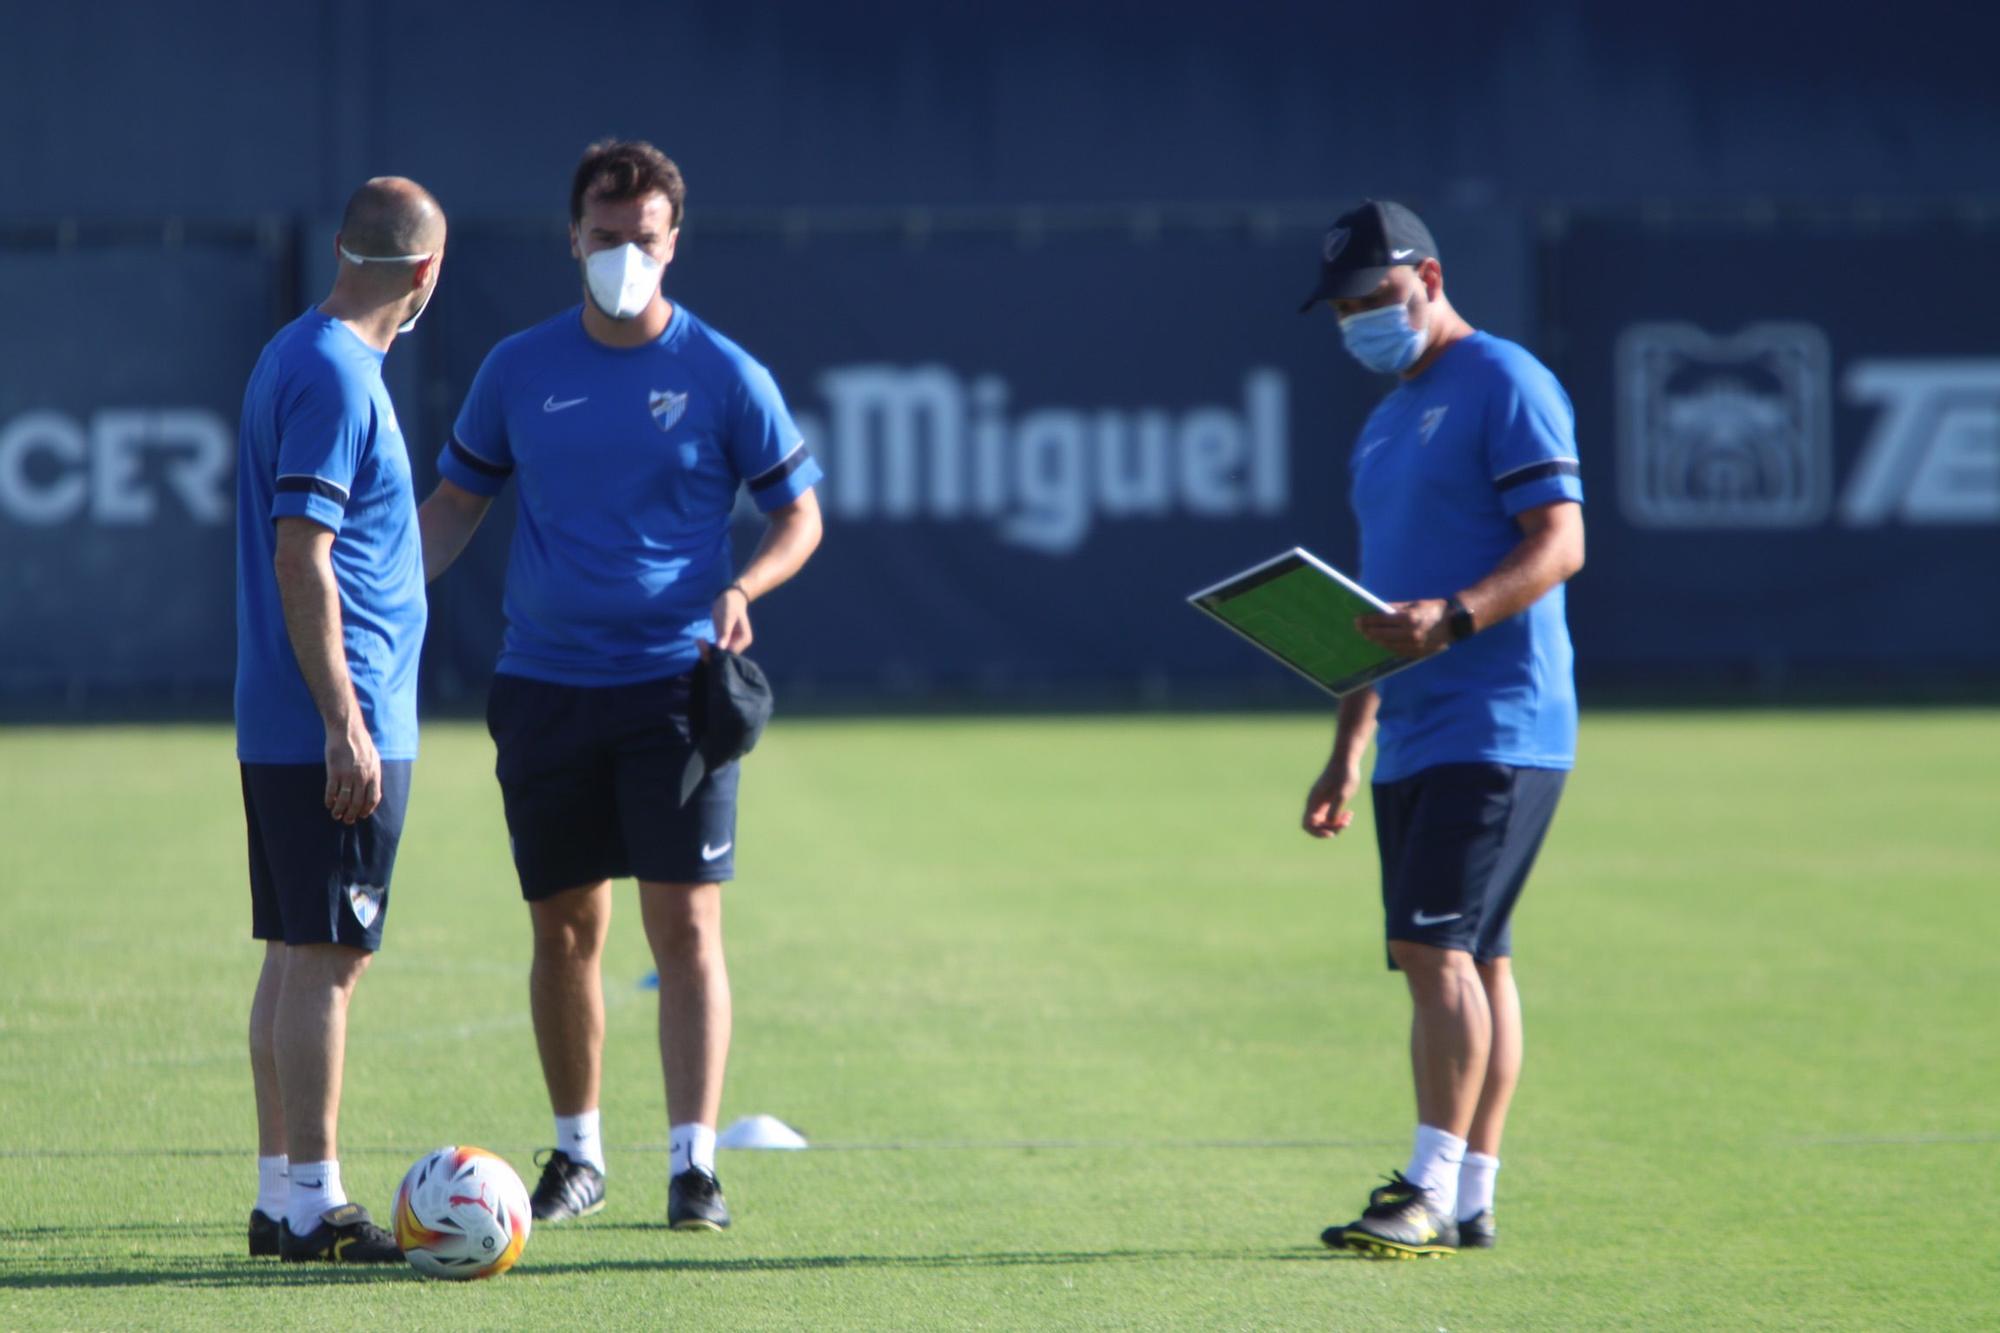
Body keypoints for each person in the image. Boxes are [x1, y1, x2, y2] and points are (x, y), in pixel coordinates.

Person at [418, 138, 823, 1233]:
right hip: (544, 685)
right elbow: (457, 503)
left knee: (685, 930)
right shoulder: (518, 367)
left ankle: (693, 1164)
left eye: (643, 240)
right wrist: (382, 587)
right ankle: (576, 1153)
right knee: (563, 930)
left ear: (672, 240)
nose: (623, 258)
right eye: (604, 240)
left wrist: (745, 584)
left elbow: (800, 513)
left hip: (673, 690)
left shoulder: (724, 372)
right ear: (572, 239)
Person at [1296, 200, 1585, 1259]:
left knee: (1432, 948)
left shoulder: (1502, 379)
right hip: (1416, 729)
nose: (1359, 319)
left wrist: (1456, 615)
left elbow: (1559, 543)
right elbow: (1382, 604)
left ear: (1428, 275)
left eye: (1374, 296)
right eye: (1343, 307)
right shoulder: (1383, 422)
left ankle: (1419, 1187)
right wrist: (1346, 745)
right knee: (1478, 959)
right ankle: (1469, 1195)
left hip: (1498, 716)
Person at [236, 177, 445, 1261]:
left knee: (299, 949)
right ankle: (315, 1201)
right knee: (324, 952)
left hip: (292, 715)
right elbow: (300, 552)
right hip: (330, 717)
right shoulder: (334, 374)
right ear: (424, 273)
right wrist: (346, 721)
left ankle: (281, 1196)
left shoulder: (299, 352)